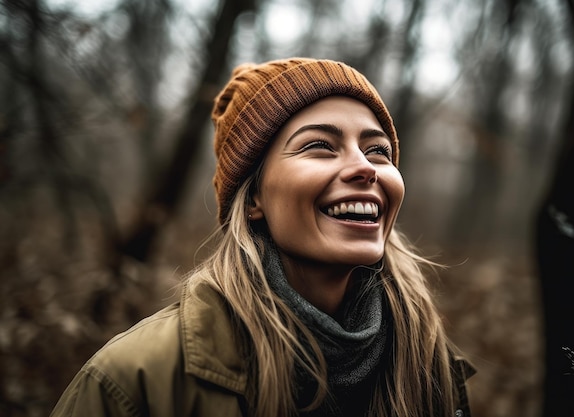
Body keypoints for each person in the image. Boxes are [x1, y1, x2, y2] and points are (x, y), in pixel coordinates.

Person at [50, 57, 474, 417]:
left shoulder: (429, 368)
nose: (365, 168)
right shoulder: (134, 382)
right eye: (320, 146)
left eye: (378, 150)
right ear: (254, 196)